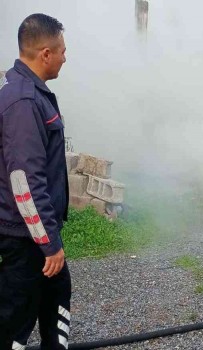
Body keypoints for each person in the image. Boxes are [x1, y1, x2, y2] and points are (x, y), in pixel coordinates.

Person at [0, 13, 71, 350]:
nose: (64, 57)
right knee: (16, 317)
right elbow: (24, 183)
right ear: (45, 53)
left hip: (37, 235)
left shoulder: (29, 93)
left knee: (57, 296)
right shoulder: (24, 102)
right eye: (61, 50)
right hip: (26, 238)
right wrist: (49, 245)